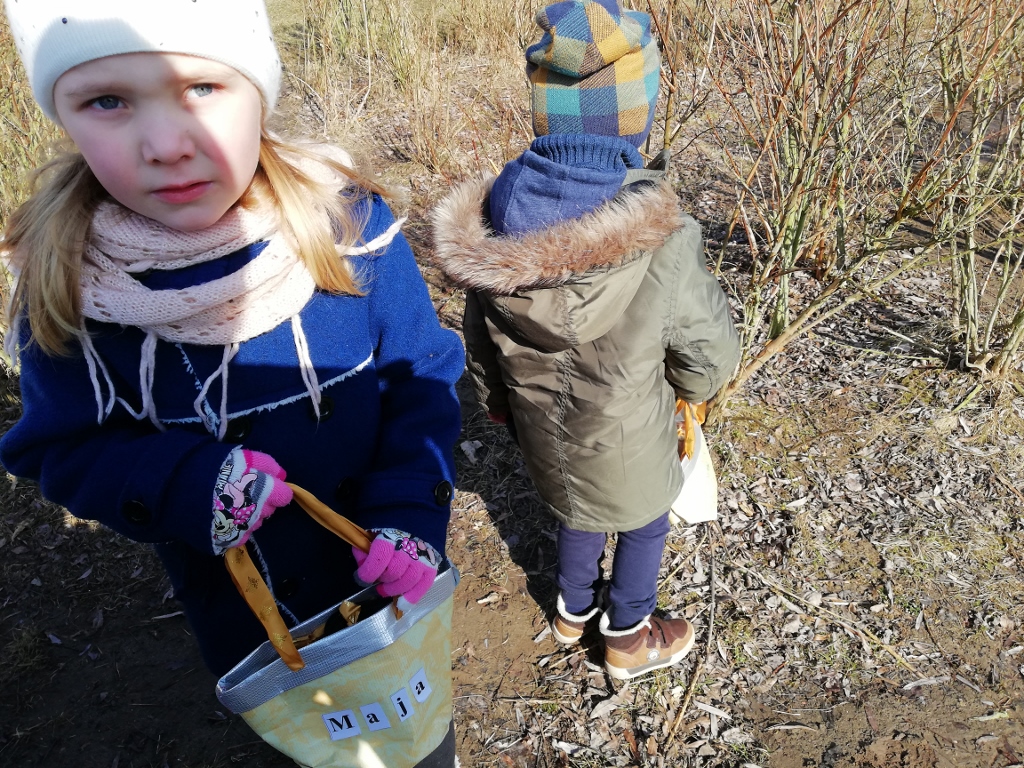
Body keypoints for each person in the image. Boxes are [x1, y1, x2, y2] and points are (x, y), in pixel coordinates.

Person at [0, 1, 463, 762]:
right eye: (107, 101)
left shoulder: (347, 227)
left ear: (259, 89)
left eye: (203, 88)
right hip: (253, 628)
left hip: (392, 603)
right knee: (311, 750)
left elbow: (422, 373)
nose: (165, 145)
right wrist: (183, 482)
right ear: (63, 117)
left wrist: (411, 508)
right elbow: (58, 450)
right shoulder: (70, 289)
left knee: (419, 746)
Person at [431, 0, 740, 681]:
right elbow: (709, 351)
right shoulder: (663, 236)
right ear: (637, 115)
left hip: (543, 431)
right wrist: (693, 391)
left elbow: (478, 339)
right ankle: (627, 634)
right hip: (630, 434)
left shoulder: (496, 221)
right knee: (644, 522)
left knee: (577, 508)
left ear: (544, 111)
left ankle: (572, 612)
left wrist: (499, 407)